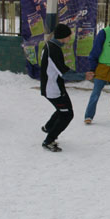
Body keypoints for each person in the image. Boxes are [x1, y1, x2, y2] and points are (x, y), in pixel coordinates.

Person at [40, 24, 92, 152]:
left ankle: (48, 127)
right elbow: (65, 73)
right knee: (67, 114)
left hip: (53, 86)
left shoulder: (50, 45)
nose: (70, 38)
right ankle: (49, 140)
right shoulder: (54, 49)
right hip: (53, 89)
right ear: (63, 37)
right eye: (69, 35)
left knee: (62, 110)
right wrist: (83, 75)